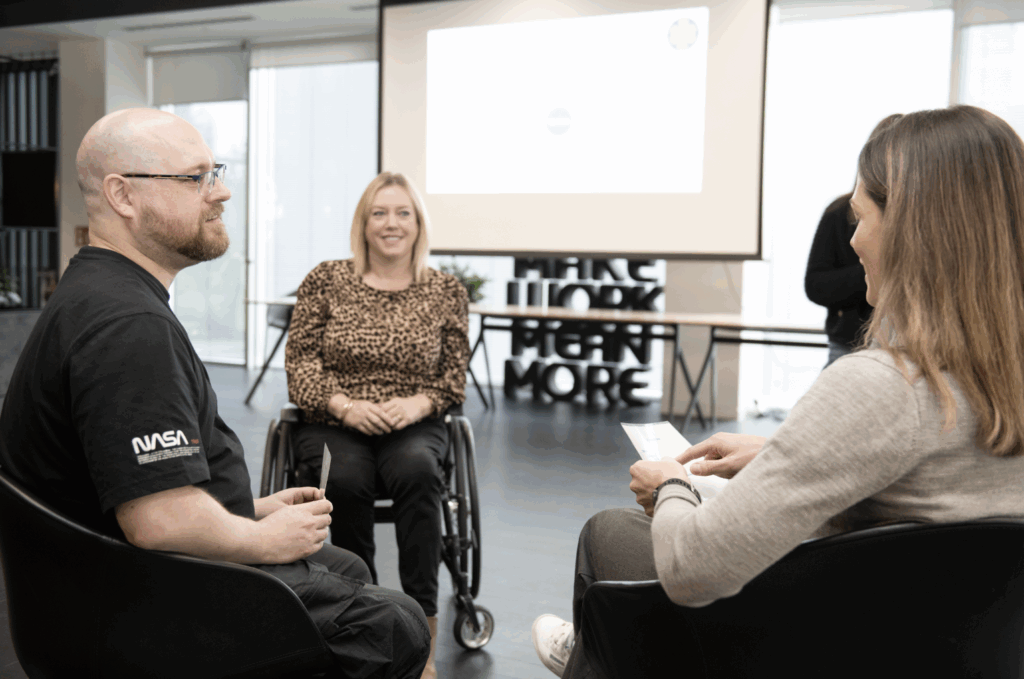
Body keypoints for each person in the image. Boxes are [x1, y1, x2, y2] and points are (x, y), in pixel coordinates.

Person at [531, 104, 1024, 678]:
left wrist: (672, 486)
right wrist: (779, 457)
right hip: (947, 648)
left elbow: (694, 569)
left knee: (610, 532)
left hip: (822, 640)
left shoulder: (882, 386)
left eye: (860, 218)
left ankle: (594, 657)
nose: (855, 239)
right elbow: (931, 483)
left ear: (914, 229)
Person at [0, 108, 430, 679]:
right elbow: (160, 523)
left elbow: (127, 490)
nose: (221, 192)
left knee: (345, 561)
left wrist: (248, 513)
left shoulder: (97, 293)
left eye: (216, 172)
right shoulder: (127, 326)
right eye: (195, 177)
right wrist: (260, 539)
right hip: (143, 603)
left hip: (105, 580)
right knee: (397, 624)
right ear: (123, 196)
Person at [285, 171, 470, 679]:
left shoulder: (445, 290)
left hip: (410, 419)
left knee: (416, 471)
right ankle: (362, 618)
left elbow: (453, 378)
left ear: (418, 224)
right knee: (343, 480)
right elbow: (300, 364)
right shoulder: (326, 279)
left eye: (402, 213)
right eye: (379, 213)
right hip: (335, 415)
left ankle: (423, 634)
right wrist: (344, 405)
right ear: (363, 224)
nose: (391, 224)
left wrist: (416, 404)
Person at [804, 114, 901, 367]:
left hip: (905, 344)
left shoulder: (922, 216)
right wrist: (873, 270)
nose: (857, 241)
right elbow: (815, 285)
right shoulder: (838, 213)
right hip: (848, 343)